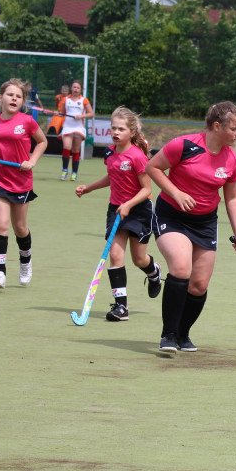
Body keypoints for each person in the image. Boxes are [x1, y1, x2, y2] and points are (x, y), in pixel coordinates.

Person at [146, 101, 236, 353]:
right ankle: (168, 334)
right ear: (216, 126)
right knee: (181, 268)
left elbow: (232, 198)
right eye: (234, 129)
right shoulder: (183, 145)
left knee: (199, 285)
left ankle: (182, 333)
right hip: (172, 216)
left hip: (205, 223)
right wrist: (176, 192)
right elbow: (152, 167)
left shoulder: (232, 159)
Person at [74, 106, 163, 321]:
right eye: (113, 128)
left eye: (121, 129)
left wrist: (129, 205)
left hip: (139, 210)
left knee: (139, 259)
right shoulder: (109, 153)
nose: (116, 132)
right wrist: (89, 188)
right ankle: (121, 306)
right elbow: (112, 177)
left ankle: (154, 272)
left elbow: (147, 189)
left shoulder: (138, 157)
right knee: (115, 255)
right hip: (116, 209)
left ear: (132, 132)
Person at [0, 78, 48, 289]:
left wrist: (31, 161)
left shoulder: (27, 121)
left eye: (18, 96)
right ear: (0, 98)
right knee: (2, 224)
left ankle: (25, 261)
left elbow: (42, 141)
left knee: (20, 228)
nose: (14, 99)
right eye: (10, 95)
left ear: (23, 101)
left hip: (20, 180)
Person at [59, 81, 93, 182]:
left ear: (81, 89)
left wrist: (82, 116)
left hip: (78, 127)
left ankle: (74, 173)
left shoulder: (84, 100)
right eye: (74, 87)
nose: (76, 89)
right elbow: (62, 113)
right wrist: (59, 113)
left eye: (78, 88)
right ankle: (64, 170)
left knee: (75, 150)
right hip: (67, 126)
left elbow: (91, 114)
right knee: (66, 146)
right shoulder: (65, 99)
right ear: (71, 88)